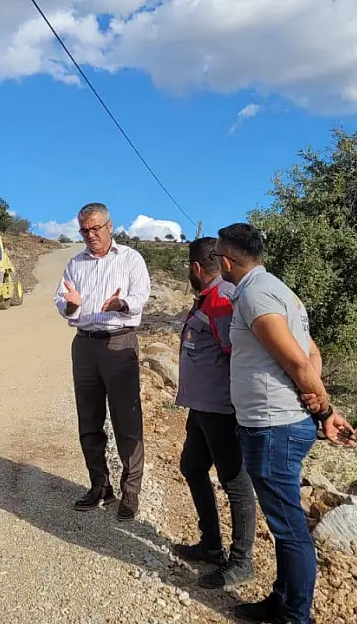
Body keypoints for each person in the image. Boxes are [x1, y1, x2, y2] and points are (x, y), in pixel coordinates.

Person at [214, 223, 355, 624]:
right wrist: (315, 400)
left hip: (273, 427)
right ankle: (282, 601)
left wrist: (324, 411)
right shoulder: (278, 289)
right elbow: (314, 353)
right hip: (278, 422)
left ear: (226, 261)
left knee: (290, 527)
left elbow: (296, 360)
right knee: (283, 522)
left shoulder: (256, 295)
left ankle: (296, 616)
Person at [56, 202, 151, 522]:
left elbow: (141, 296)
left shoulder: (130, 259)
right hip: (84, 346)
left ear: (110, 226)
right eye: (84, 230)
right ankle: (100, 485)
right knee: (89, 420)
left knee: (126, 421)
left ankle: (131, 490)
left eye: (96, 228)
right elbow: (63, 302)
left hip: (119, 343)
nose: (90, 235)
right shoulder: (75, 264)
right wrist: (71, 307)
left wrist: (121, 303)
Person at [172, 237, 257, 590]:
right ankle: (210, 545)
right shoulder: (210, 297)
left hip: (220, 408)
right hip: (202, 406)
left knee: (235, 483)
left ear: (195, 268)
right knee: (192, 467)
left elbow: (232, 351)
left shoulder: (221, 299)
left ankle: (241, 561)